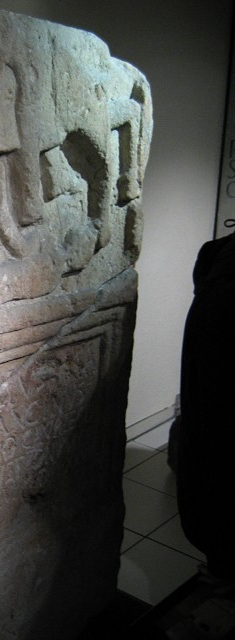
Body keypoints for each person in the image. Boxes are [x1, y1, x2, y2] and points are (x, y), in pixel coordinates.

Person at [177, 220, 235, 581]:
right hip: (214, 379)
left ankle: (223, 562)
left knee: (213, 456)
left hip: (213, 382)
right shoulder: (216, 254)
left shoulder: (216, 254)